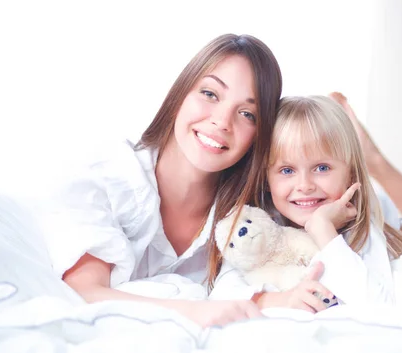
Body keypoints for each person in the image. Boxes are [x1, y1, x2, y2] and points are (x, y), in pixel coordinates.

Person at [41, 33, 283, 328]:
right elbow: (84, 292)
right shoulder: (110, 177)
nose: (222, 121)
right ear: (180, 94)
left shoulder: (250, 219)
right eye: (210, 94)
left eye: (247, 114)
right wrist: (193, 312)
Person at [209, 95, 402, 312]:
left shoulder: (361, 228)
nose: (305, 185)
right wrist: (280, 300)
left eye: (322, 168)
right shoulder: (259, 225)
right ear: (266, 179)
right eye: (287, 170)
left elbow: (378, 305)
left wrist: (323, 230)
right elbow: (220, 295)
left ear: (351, 174)